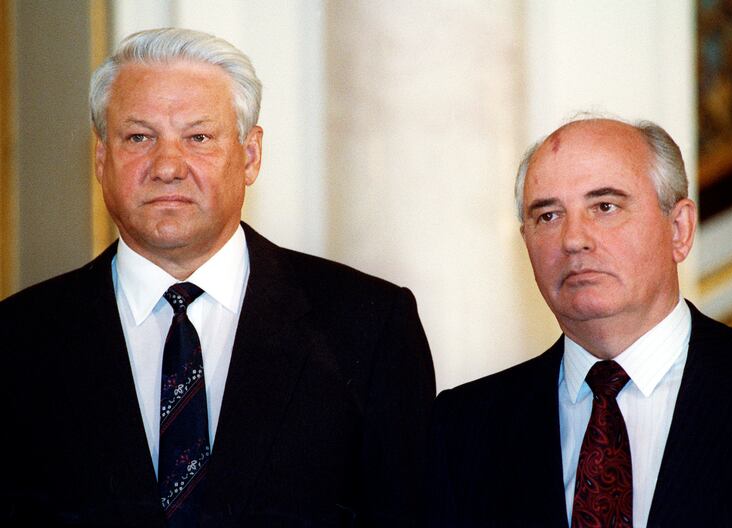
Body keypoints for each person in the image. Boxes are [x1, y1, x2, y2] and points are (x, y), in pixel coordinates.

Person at [1, 28, 435, 527]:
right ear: (101, 158)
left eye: (198, 138)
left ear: (250, 156)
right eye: (139, 137)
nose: (167, 166)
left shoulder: (369, 324)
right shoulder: (17, 340)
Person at [426, 117, 732, 527]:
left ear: (679, 229)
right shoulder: (462, 428)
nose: (573, 239)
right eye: (548, 216)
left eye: (605, 207)